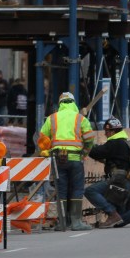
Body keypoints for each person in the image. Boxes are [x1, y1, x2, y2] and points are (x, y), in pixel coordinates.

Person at [40, 91, 94, 231]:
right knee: (77, 189)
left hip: (58, 160)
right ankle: (76, 222)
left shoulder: (52, 118)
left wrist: (48, 149)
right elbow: (89, 138)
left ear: (60, 104)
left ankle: (62, 223)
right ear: (73, 103)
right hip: (76, 159)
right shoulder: (80, 118)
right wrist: (85, 152)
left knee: (61, 190)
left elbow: (42, 138)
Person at [85, 117, 130, 228]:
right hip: (126, 184)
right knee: (120, 220)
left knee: (90, 191)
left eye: (107, 131)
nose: (105, 134)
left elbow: (96, 153)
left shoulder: (115, 143)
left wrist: (86, 143)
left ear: (113, 131)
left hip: (117, 183)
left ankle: (111, 213)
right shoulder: (125, 143)